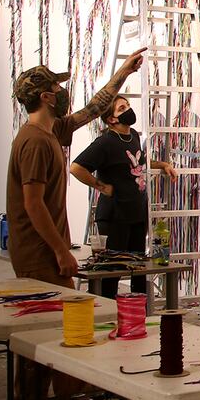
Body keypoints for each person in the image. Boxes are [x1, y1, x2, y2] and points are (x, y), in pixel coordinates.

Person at [6, 50, 144, 400]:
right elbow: (33, 204)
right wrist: (60, 251)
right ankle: (66, 399)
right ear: (47, 97)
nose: (62, 92)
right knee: (56, 323)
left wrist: (121, 73)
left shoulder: (51, 132)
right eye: (57, 87)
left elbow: (94, 109)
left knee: (43, 324)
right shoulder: (35, 142)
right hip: (38, 250)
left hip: (40, 247)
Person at [69, 95, 175, 298]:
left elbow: (139, 162)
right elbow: (76, 168)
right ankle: (106, 316)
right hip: (114, 215)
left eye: (128, 105)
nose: (128, 110)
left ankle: (136, 317)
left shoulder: (133, 135)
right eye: (122, 108)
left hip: (136, 213)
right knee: (112, 271)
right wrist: (101, 186)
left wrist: (164, 165)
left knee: (138, 268)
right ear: (111, 119)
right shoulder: (105, 143)